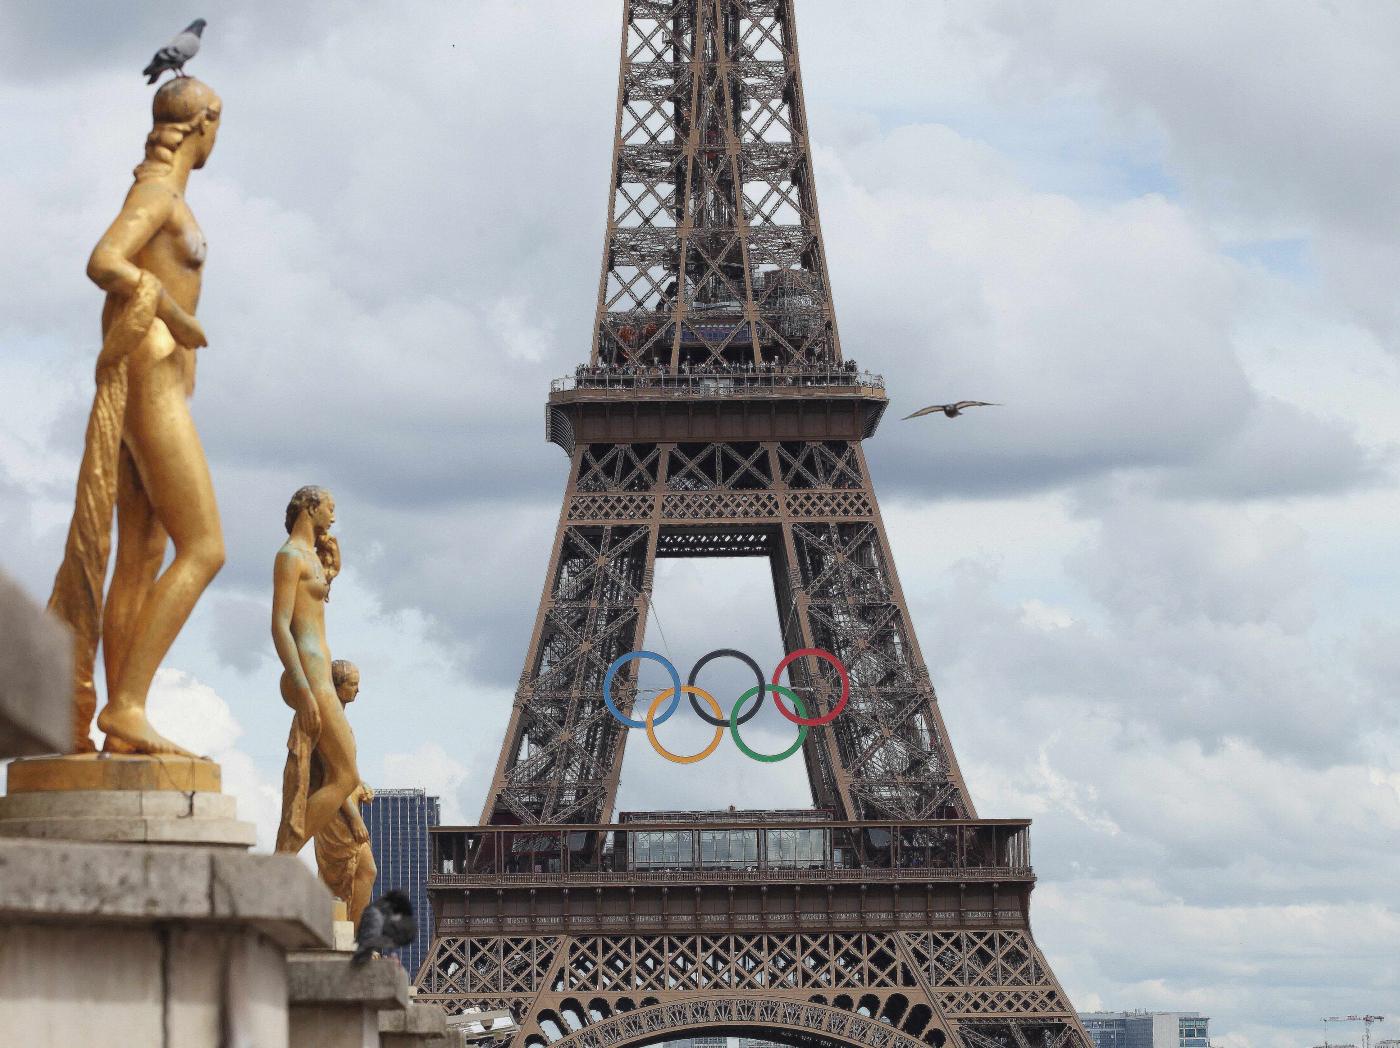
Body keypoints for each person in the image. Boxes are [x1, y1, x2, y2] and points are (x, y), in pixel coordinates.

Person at [51, 77, 224, 755]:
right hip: (151, 370)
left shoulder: (169, 195)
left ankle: (122, 724)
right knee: (205, 546)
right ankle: (127, 705)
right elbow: (104, 261)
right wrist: (176, 315)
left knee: (141, 555)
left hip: (152, 374)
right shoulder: (157, 195)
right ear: (204, 124)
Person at [273, 486, 361, 856]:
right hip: (309, 676)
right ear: (310, 509)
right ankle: (283, 858)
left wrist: (331, 573)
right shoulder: (289, 556)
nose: (334, 516)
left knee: (339, 775)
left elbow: (312, 608)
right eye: (330, 508)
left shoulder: (309, 555)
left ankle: (284, 857)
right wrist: (303, 689)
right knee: (346, 776)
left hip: (319, 673)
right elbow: (280, 625)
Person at [310, 660, 377, 927]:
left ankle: (345, 934)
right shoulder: (328, 722)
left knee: (358, 873)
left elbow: (344, 769)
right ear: (337, 687)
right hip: (336, 813)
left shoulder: (337, 720)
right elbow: (332, 777)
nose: (358, 690)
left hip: (343, 806)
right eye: (353, 684)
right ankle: (341, 935)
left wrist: (361, 783)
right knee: (346, 876)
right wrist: (355, 819)